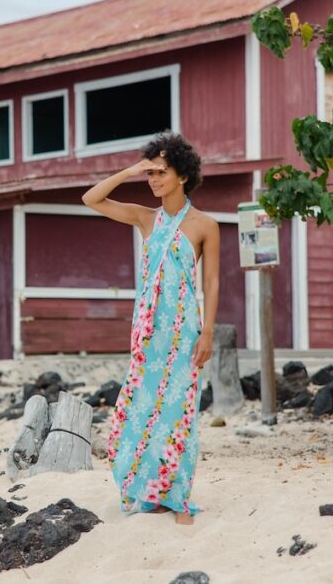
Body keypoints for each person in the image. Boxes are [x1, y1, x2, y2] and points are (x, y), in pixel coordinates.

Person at [82, 131, 220, 524]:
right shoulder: (146, 218)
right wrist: (131, 169)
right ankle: (149, 492)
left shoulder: (205, 225)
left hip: (184, 333)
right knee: (140, 411)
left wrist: (208, 330)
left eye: (161, 172)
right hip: (147, 333)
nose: (154, 179)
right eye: (151, 173)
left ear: (182, 176)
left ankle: (177, 498)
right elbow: (91, 199)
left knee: (178, 414)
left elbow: (211, 283)